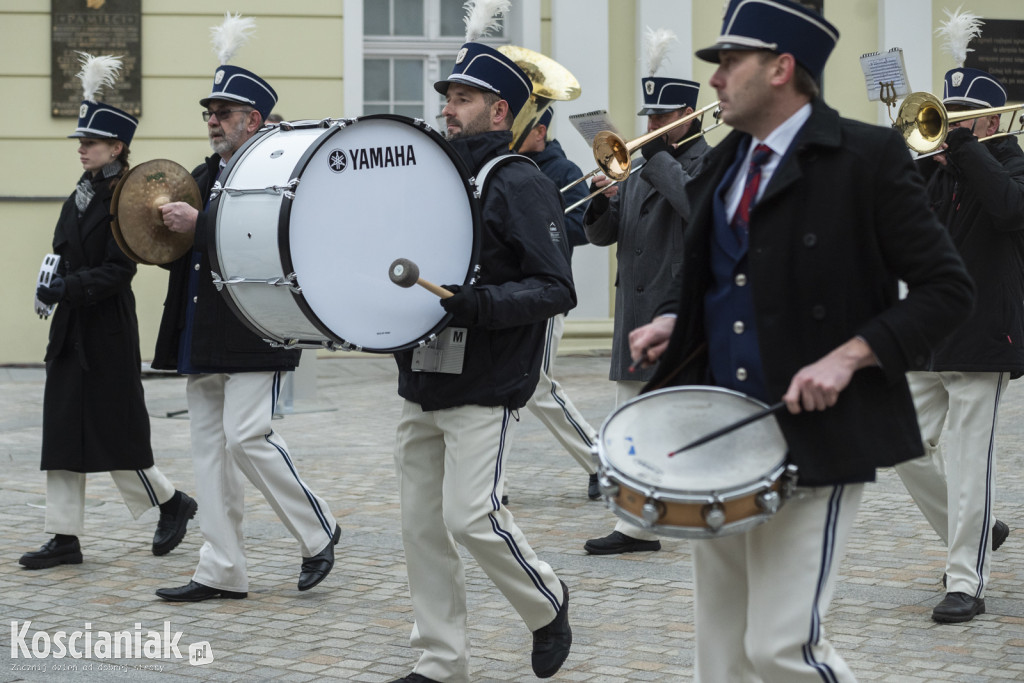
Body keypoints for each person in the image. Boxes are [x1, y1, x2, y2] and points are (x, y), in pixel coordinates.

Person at [627, 0, 973, 679]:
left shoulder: (866, 159)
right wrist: (677, 321)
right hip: (721, 438)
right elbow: (730, 277)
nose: (717, 78)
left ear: (783, 68)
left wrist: (851, 356)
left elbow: (947, 289)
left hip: (817, 439)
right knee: (721, 659)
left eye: (731, 61)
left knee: (783, 648)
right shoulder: (724, 165)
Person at [389, 35, 576, 683]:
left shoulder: (518, 182)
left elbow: (556, 287)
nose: (449, 108)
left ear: (501, 112)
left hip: (488, 377)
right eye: (448, 97)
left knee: (471, 515)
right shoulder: (431, 179)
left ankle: (547, 600)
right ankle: (440, 660)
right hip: (422, 375)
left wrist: (479, 304)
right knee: (420, 527)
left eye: (463, 98)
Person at [151, 31, 339, 602]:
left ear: (252, 119)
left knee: (246, 436)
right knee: (207, 448)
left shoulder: (278, 171)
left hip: (260, 321)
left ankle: (318, 528)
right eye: (210, 111)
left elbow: (272, 236)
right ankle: (221, 568)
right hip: (204, 328)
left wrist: (198, 224)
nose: (213, 120)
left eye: (224, 112)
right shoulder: (201, 174)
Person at [20, 54, 196, 571]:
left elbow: (121, 271)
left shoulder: (133, 199)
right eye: (81, 142)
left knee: (113, 430)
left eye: (91, 142)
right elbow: (60, 249)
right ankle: (64, 536)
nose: (82, 149)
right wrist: (49, 282)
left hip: (108, 328)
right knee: (62, 431)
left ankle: (171, 502)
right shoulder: (79, 195)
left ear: (117, 147)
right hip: (71, 325)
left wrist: (65, 288)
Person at [893, 62, 1023, 623]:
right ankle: (977, 528)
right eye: (948, 118)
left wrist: (967, 152)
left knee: (971, 462)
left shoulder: (1013, 164)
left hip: (984, 334)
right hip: (929, 335)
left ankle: (966, 582)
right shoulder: (937, 170)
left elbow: (1009, 209)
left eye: (964, 119)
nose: (951, 128)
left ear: (990, 119)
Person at [582, 41, 711, 555]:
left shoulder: (706, 160)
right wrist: (601, 201)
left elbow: (697, 208)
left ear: (688, 113)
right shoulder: (638, 165)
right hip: (636, 311)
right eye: (649, 114)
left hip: (675, 309)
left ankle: (646, 521)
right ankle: (642, 521)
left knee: (670, 422)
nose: (652, 122)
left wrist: (655, 159)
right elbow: (607, 236)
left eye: (663, 114)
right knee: (637, 422)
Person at [518, 106, 601, 501]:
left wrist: (536, 222)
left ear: (541, 132)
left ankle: (602, 462)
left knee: (537, 386)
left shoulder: (563, 170)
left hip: (546, 293)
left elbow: (584, 226)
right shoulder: (510, 165)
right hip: (511, 292)